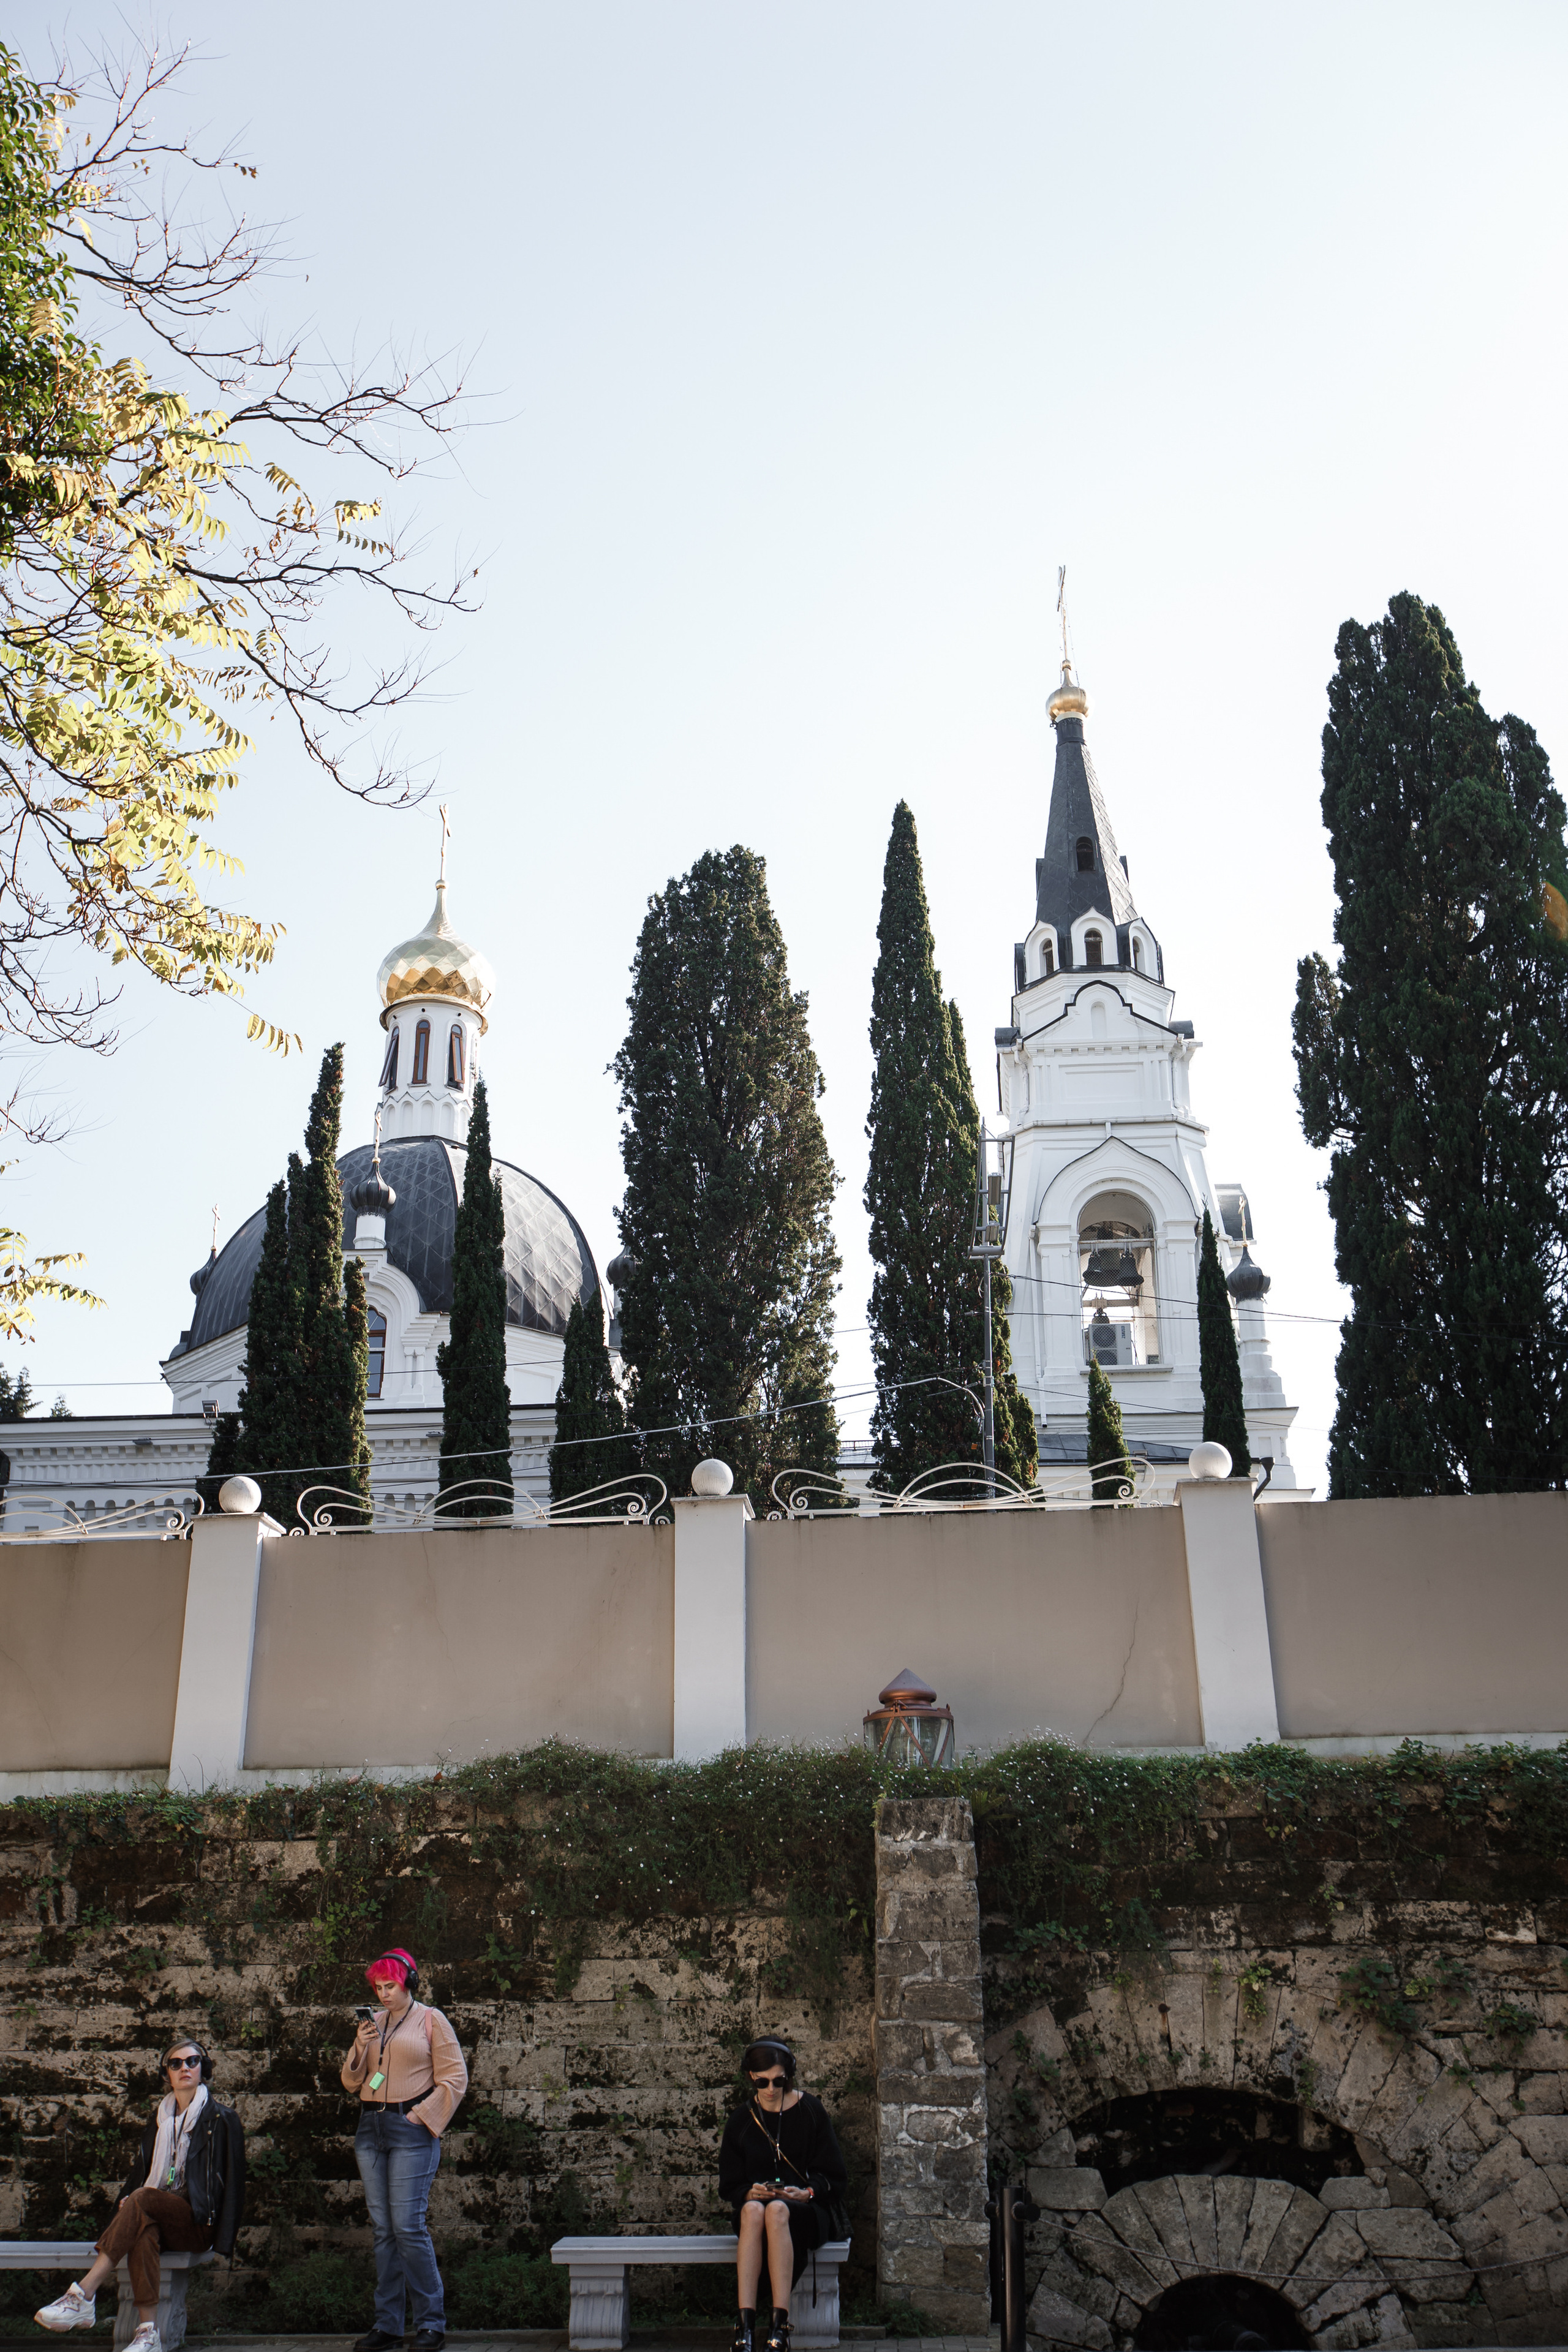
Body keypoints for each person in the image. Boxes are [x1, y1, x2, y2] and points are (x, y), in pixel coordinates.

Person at [34, 2035, 246, 2352]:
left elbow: (234, 2183)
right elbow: (142, 2178)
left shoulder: (222, 2119)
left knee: (143, 2198)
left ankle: (83, 2295)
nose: (185, 2068)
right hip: (159, 2212)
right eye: (175, 2064)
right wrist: (130, 2201)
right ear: (167, 2075)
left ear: (205, 2069)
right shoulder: (160, 2121)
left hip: (198, 2223)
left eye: (192, 2061)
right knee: (144, 2230)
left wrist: (223, 2241)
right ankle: (149, 2334)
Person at [341, 1947, 468, 2352]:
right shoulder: (373, 2023)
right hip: (370, 2126)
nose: (384, 1995)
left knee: (408, 2228)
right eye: (378, 1988)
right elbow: (351, 2081)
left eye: (391, 1986)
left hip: (409, 2130)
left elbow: (454, 2079)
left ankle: (431, 2324)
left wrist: (420, 2117)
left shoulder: (433, 2020)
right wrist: (361, 2047)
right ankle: (389, 2326)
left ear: (409, 1982)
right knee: (383, 2232)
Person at [718, 2037, 848, 2352]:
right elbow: (729, 2186)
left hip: (804, 2211)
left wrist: (807, 2192)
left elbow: (836, 2176)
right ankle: (745, 2326)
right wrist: (750, 2192)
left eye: (778, 2080)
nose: (771, 2088)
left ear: (788, 2075)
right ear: (751, 2077)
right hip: (759, 2215)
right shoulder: (742, 2120)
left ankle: (780, 2326)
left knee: (777, 2210)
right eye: (763, 2081)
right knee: (752, 2210)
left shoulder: (810, 2110)